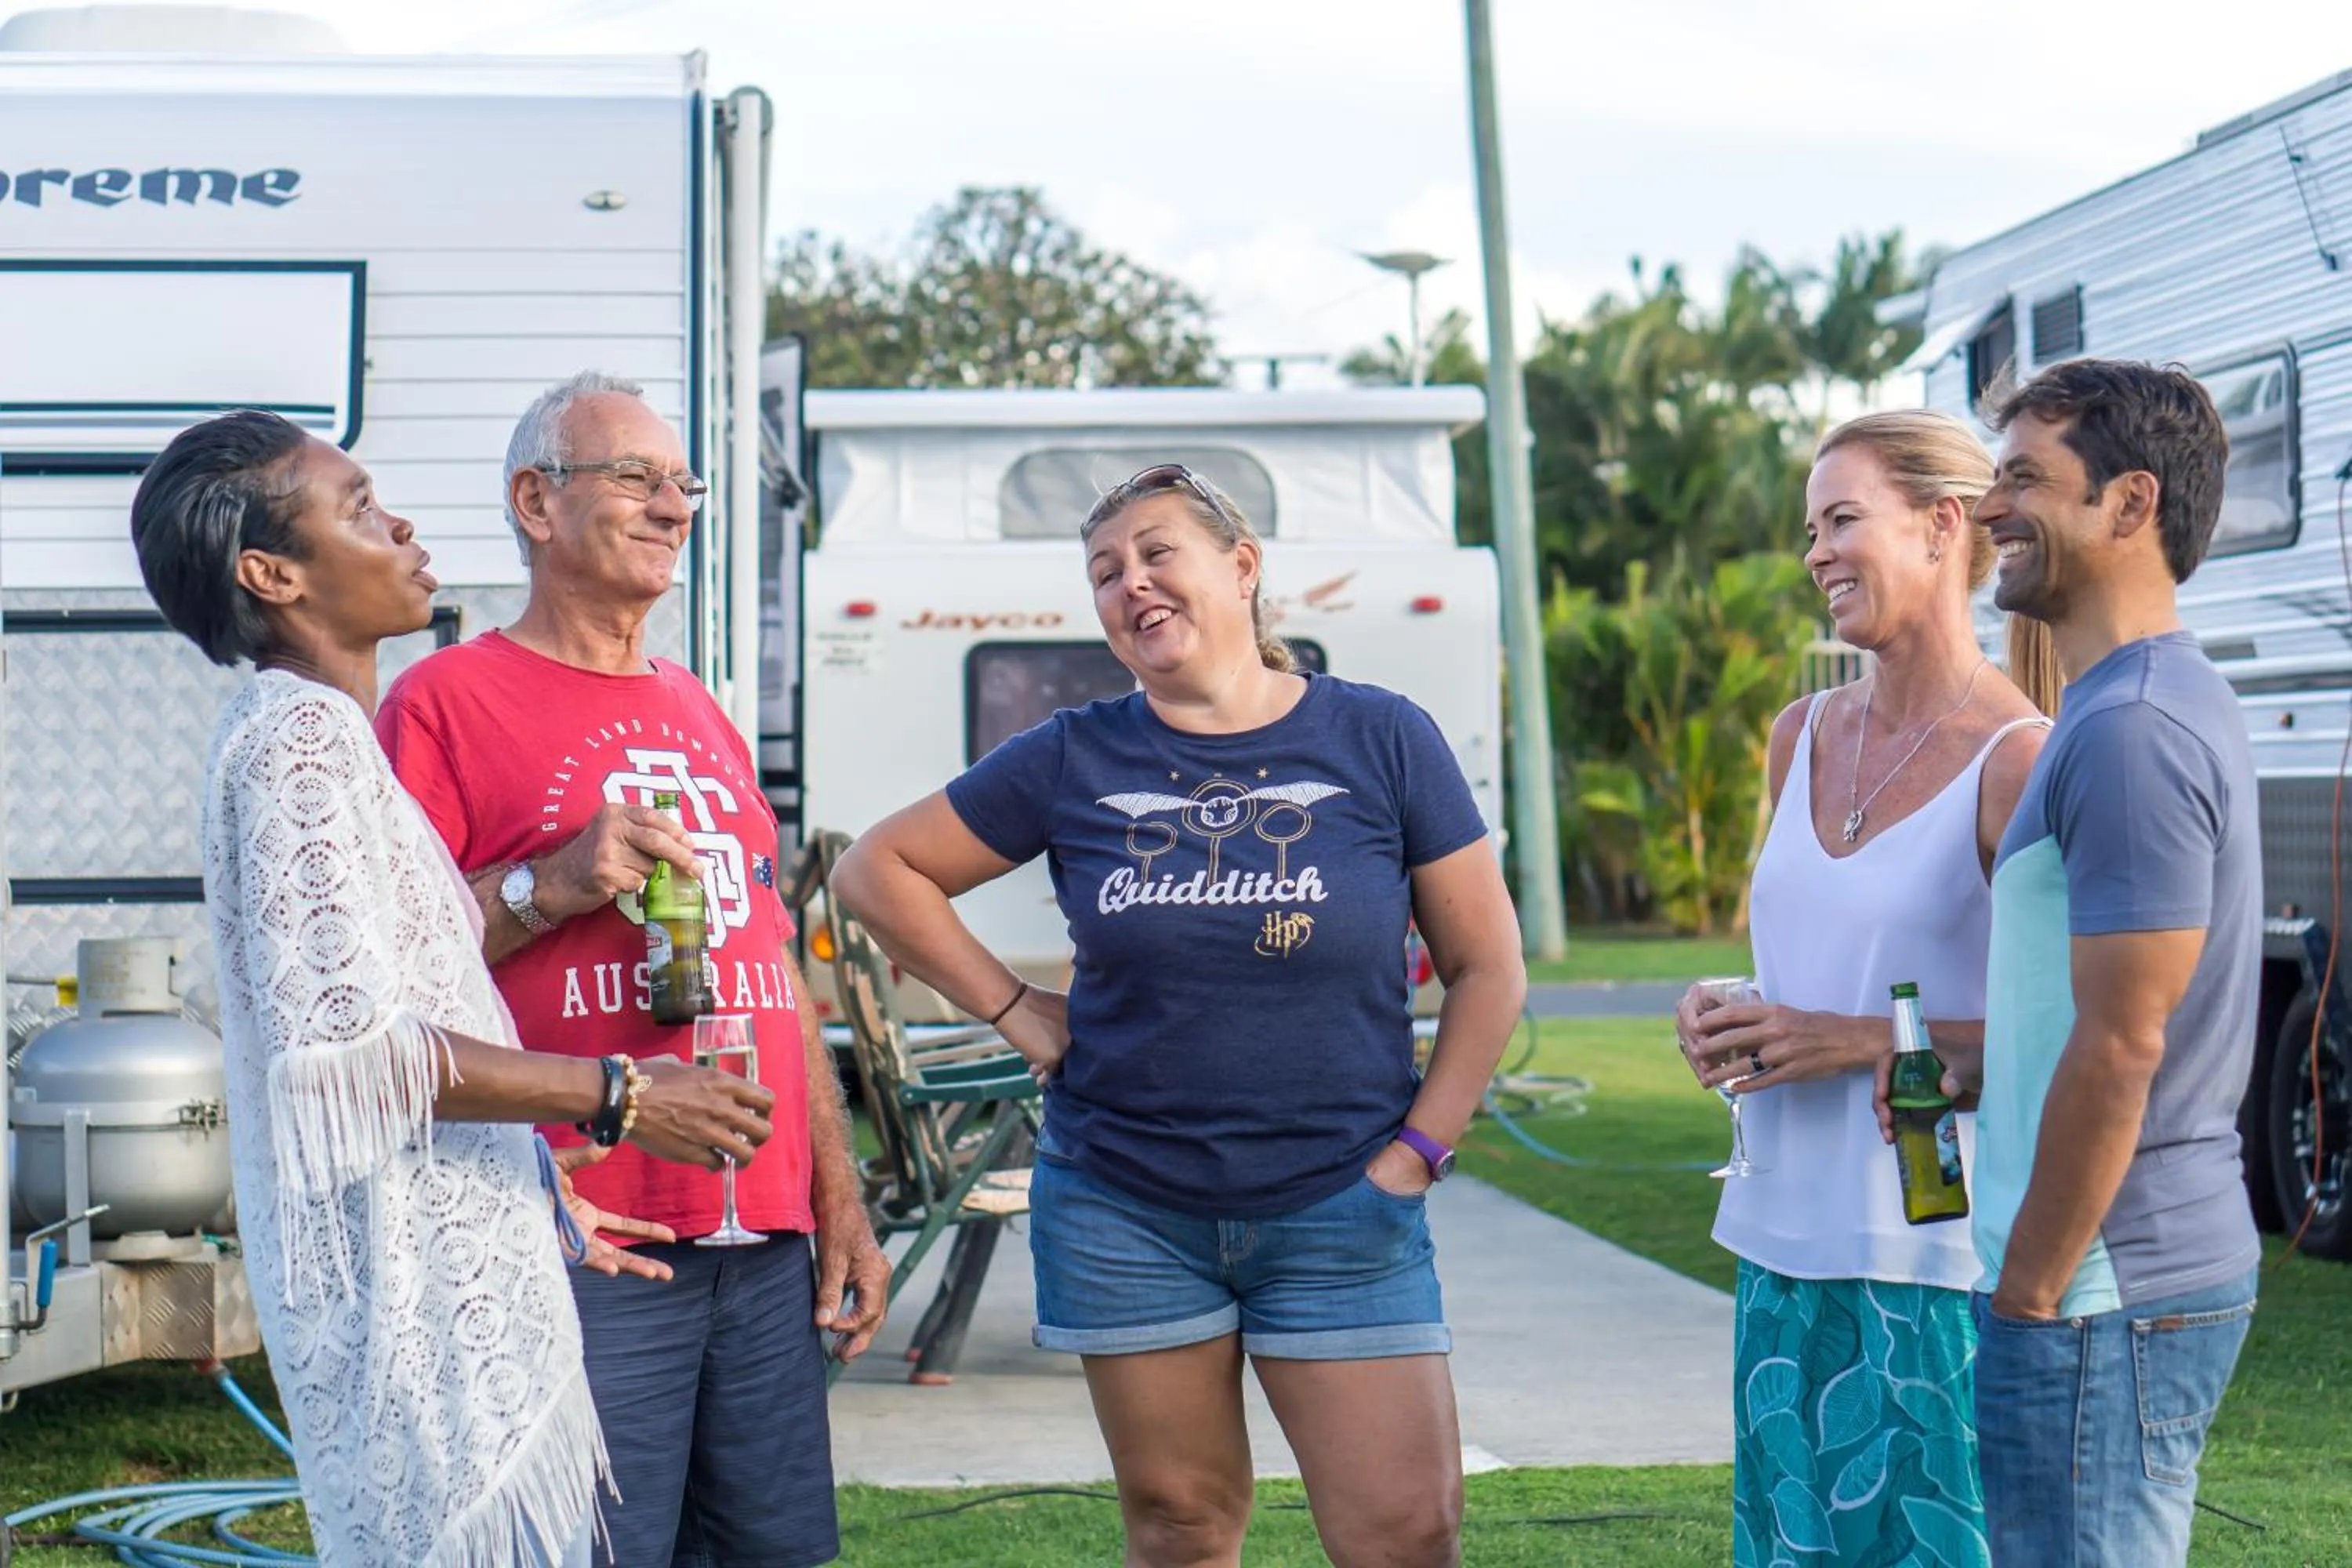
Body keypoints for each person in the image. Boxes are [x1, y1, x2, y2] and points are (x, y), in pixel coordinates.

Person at [830, 463, 1526, 1568]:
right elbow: (878, 871)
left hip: (1342, 1199)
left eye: (1159, 554)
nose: (1132, 585)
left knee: (1406, 1532)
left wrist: (1422, 1148)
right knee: (1180, 1528)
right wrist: (1018, 1009)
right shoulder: (1077, 755)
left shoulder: (1382, 739)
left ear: (1243, 569)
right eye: (1106, 573)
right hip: (1126, 1207)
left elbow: (1487, 967)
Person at [132, 410, 775, 1568]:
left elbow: (407, 1007)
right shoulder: (302, 745)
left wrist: (534, 1175)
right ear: (273, 574)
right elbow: (355, 1058)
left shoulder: (324, 737)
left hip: (461, 1279)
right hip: (416, 1319)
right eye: (362, 509)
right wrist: (622, 1094)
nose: (404, 523)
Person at [375, 372, 884, 1568]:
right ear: (535, 502)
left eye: (685, 484)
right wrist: (548, 881)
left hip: (761, 1243)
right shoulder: (442, 702)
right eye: (636, 479)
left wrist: (838, 1197)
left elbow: (767, 967)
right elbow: (386, 976)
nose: (674, 506)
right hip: (578, 1230)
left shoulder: (698, 705)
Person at [1675, 410, 2059, 1566]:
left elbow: (2063, 1037)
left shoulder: (2021, 759)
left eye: (1843, 520)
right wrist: (1733, 1010)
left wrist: (1848, 1038)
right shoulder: (1799, 733)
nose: (1816, 553)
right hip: (1777, 1245)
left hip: (1927, 1262)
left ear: (1944, 528)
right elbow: (1817, 951)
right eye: (1810, 530)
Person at [1915, 359, 2257, 1566]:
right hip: (2103, 1282)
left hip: (2101, 1289)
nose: (1992, 507)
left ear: (2129, 505)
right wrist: (1962, 1068)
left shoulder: (2130, 731)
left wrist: (2032, 1294)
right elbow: (2084, 1013)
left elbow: (2125, 1045)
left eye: (2024, 479)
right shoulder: (2124, 708)